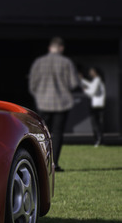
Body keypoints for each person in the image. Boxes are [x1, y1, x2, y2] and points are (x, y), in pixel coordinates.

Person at [28, 37, 80, 171]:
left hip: (43, 102)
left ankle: (40, 163)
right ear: (61, 48)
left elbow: (32, 84)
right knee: (57, 133)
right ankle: (54, 164)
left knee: (42, 133)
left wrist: (39, 95)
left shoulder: (39, 62)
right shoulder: (66, 62)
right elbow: (74, 84)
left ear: (50, 48)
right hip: (62, 103)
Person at [81, 67, 106, 147]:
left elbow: (92, 92)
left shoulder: (97, 80)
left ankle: (99, 140)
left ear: (95, 72)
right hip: (96, 105)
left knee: (96, 124)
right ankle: (98, 140)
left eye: (91, 71)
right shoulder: (96, 80)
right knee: (96, 123)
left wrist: (84, 90)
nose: (90, 72)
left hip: (97, 106)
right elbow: (91, 86)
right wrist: (82, 80)